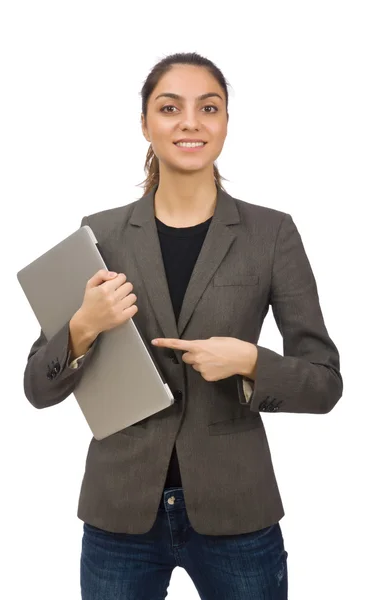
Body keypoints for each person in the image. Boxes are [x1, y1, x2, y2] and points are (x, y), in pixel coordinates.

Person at [23, 52, 343, 600]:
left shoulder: (272, 235)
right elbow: (37, 387)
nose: (190, 121)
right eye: (170, 108)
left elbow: (324, 382)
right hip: (119, 512)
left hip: (237, 510)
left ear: (224, 124)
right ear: (145, 124)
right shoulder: (99, 234)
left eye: (209, 107)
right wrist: (84, 326)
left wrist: (247, 361)